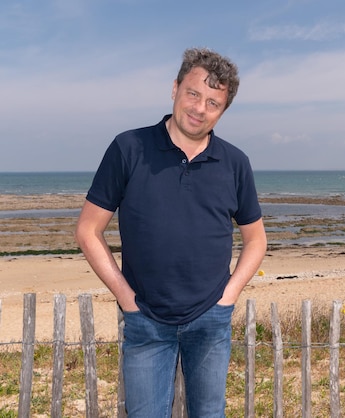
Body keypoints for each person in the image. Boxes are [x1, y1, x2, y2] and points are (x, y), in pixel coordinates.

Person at [75, 48, 267, 417]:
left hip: (211, 318)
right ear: (175, 88)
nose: (199, 108)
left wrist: (228, 296)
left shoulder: (235, 163)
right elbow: (87, 230)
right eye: (193, 94)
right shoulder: (128, 148)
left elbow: (256, 239)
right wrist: (127, 299)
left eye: (213, 102)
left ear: (223, 111)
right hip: (145, 319)